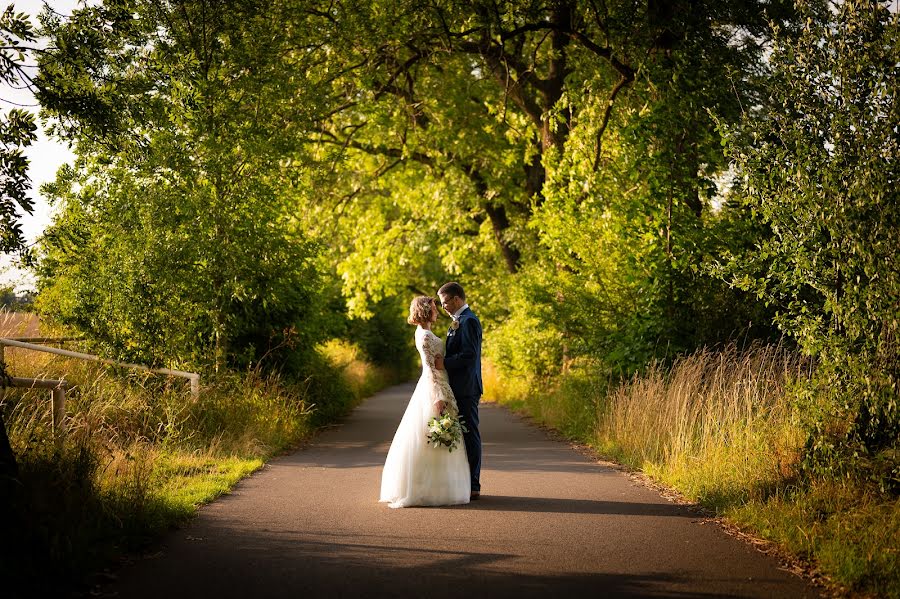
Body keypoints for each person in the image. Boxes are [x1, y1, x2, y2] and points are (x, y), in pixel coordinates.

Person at [379, 296, 470, 508]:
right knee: (433, 438)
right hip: (434, 387)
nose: (438, 312)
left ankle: (432, 486)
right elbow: (430, 370)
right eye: (435, 309)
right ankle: (429, 489)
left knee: (431, 440)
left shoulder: (423, 332)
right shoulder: (426, 336)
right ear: (428, 311)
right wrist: (438, 396)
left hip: (437, 384)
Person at [437, 282, 483, 500]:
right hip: (456, 387)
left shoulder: (469, 321)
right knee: (461, 435)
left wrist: (445, 363)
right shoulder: (457, 321)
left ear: (456, 299)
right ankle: (462, 481)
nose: (443, 306)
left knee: (470, 434)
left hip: (466, 387)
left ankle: (474, 485)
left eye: (445, 302)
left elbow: (469, 355)